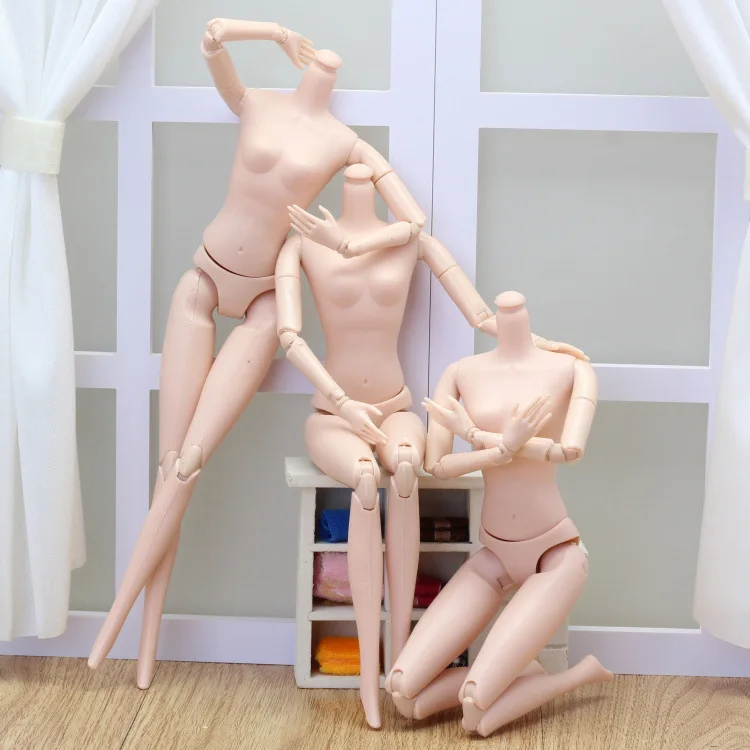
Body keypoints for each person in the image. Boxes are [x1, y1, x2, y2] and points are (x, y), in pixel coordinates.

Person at [384, 291, 613, 737]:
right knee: (402, 693)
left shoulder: (571, 369)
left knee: (476, 711)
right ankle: (525, 675)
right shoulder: (461, 373)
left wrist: (478, 435)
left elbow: (570, 450)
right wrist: (498, 447)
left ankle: (571, 677)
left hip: (556, 554)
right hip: (494, 556)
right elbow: (438, 465)